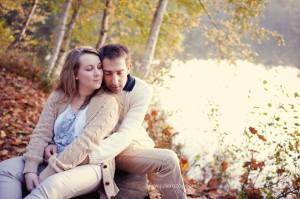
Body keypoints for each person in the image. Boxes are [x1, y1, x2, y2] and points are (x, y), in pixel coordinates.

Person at [45, 44, 187, 199]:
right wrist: (52, 141)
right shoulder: (93, 84)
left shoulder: (141, 90)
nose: (114, 80)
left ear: (129, 67)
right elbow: (69, 114)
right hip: (93, 146)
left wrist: (87, 158)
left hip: (124, 147)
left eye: (120, 72)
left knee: (168, 160)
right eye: (108, 73)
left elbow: (125, 135)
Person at [0, 46, 121, 199]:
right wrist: (30, 168)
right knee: (5, 169)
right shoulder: (59, 96)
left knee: (47, 188)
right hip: (51, 159)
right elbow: (42, 132)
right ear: (75, 74)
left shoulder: (108, 103)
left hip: (88, 167)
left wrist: (46, 174)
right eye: (89, 69)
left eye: (99, 67)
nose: (98, 74)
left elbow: (84, 144)